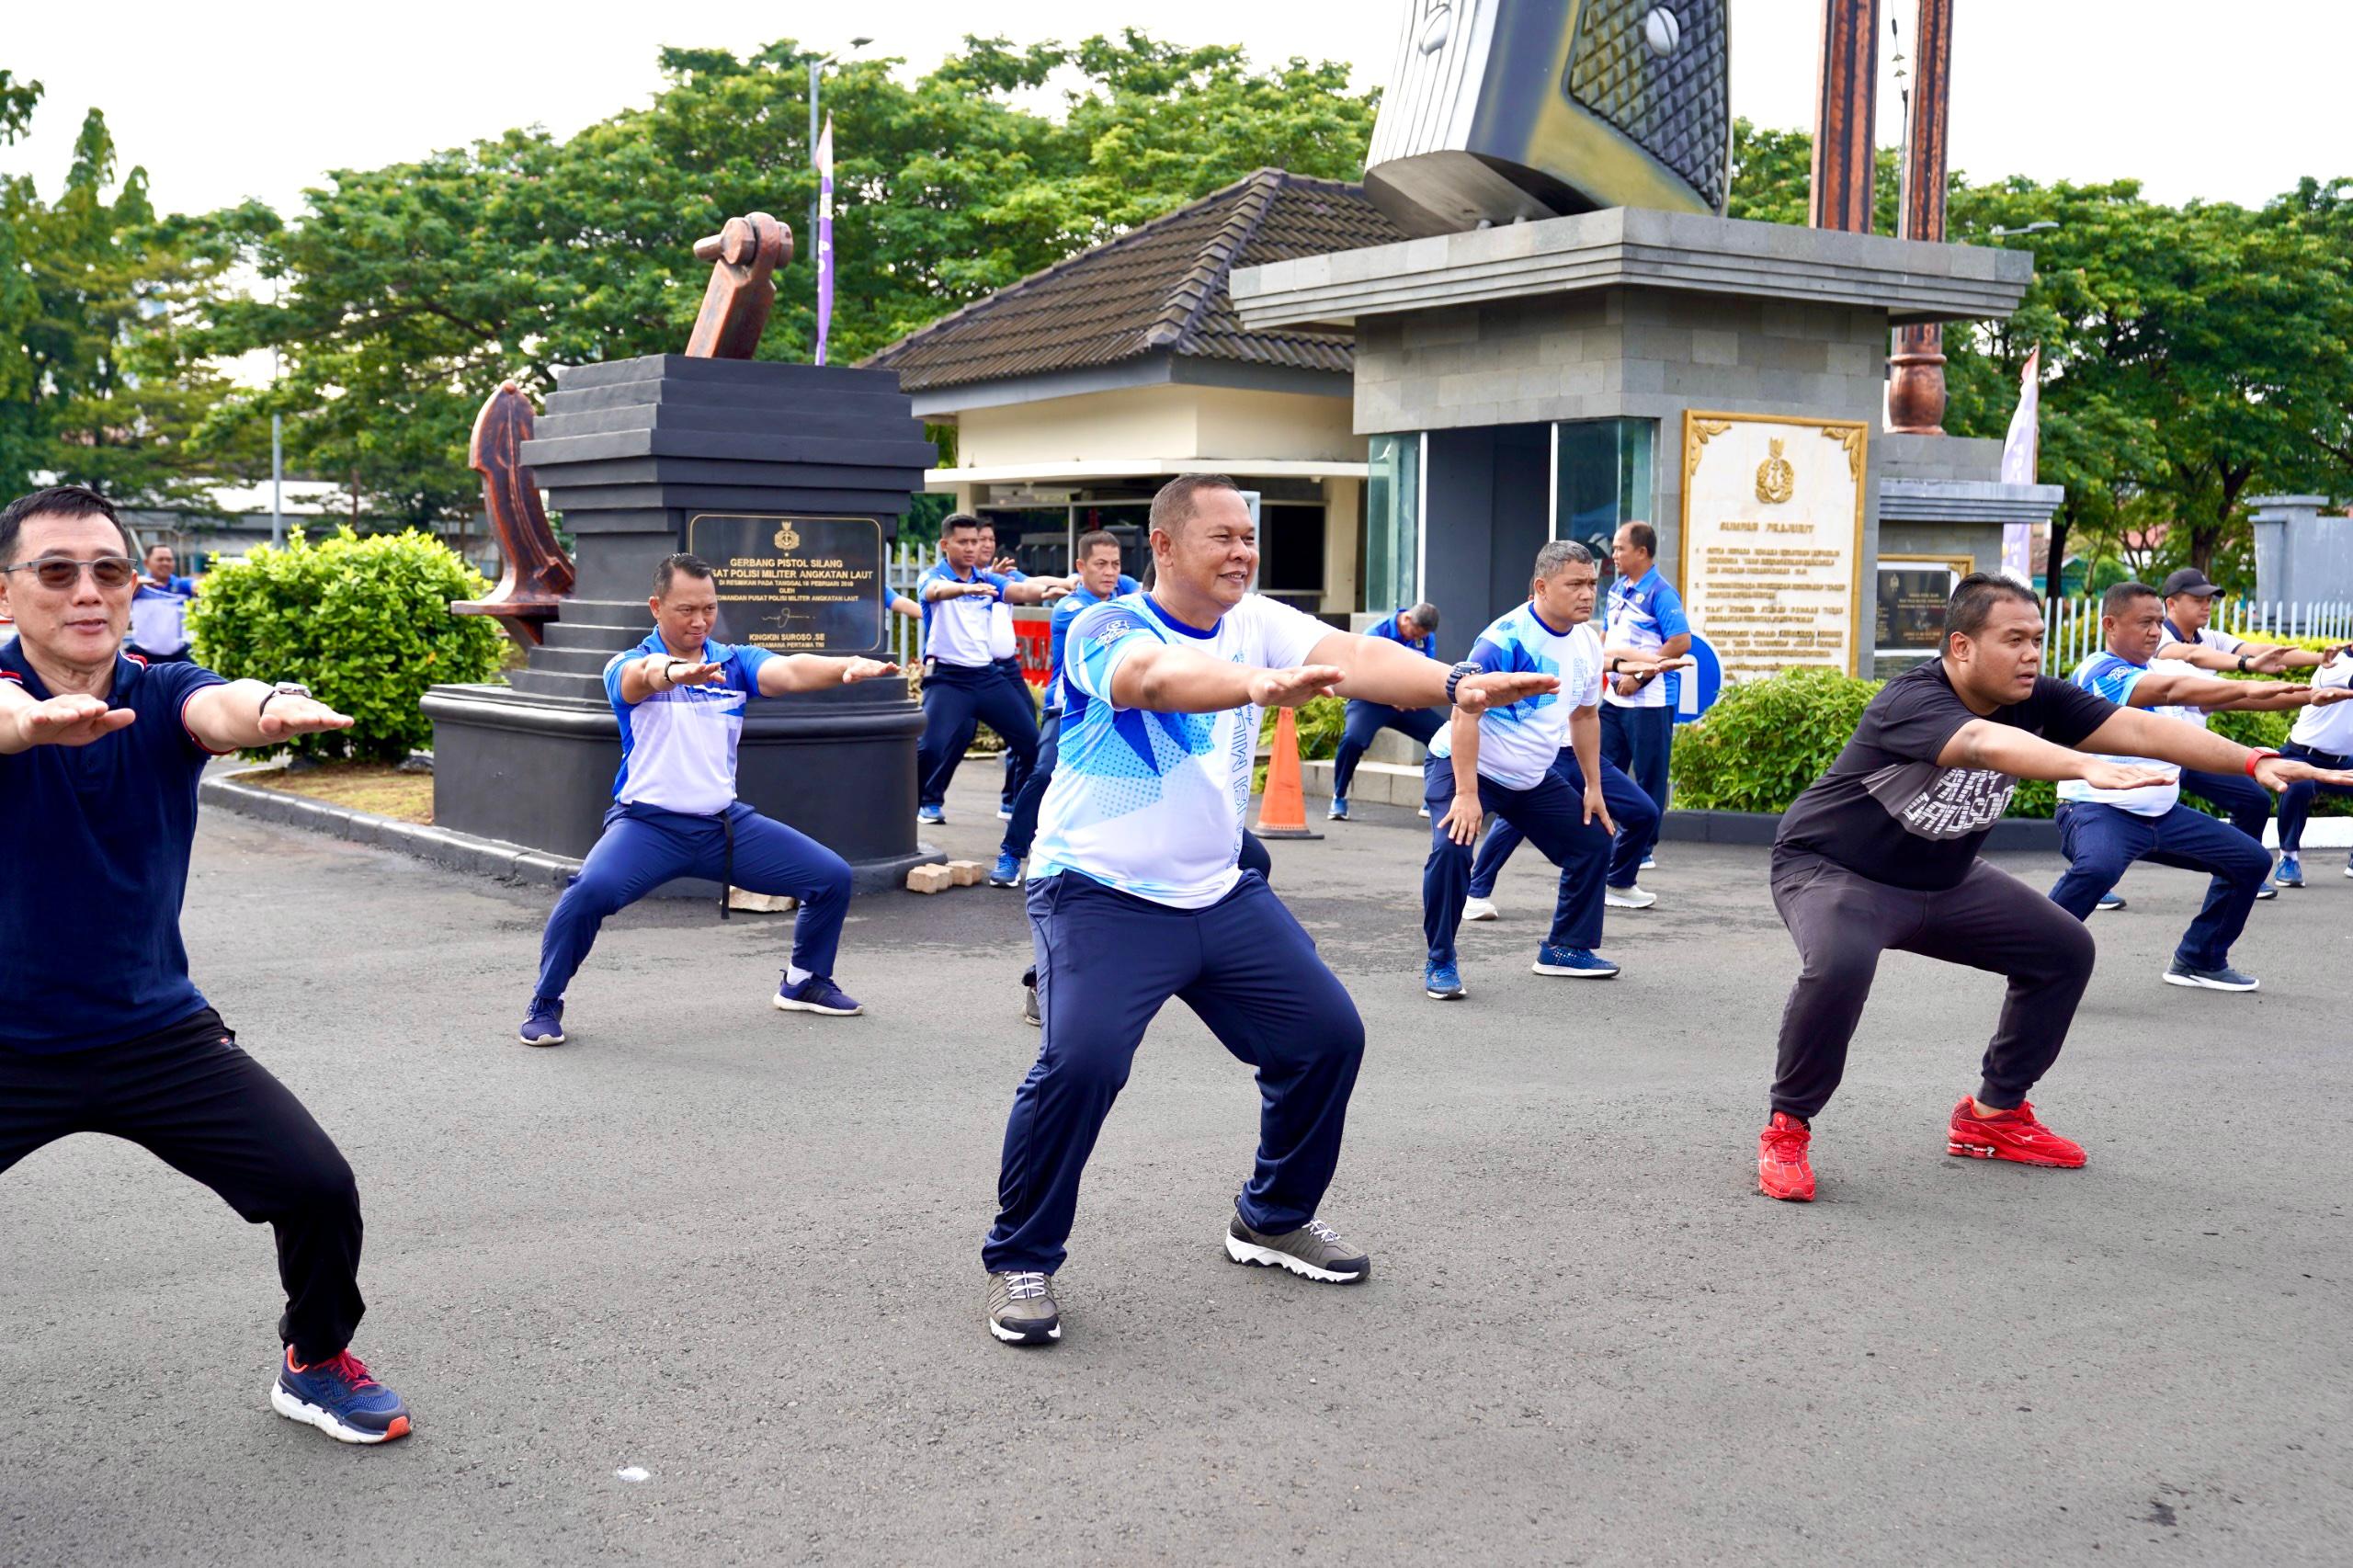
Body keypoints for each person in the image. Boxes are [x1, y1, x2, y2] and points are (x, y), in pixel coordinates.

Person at [980, 473, 1552, 1346]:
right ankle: (1022, 1258)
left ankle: (1272, 1217)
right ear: (1164, 545)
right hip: (1098, 892)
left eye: (1248, 536)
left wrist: (1456, 680)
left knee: (1327, 1038)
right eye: (1222, 536)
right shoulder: (1106, 626)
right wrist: (1255, 685)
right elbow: (1153, 679)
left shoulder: (1258, 620)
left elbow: (1355, 657)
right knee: (1082, 1062)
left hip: (1219, 888)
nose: (1242, 552)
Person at [0, 483, 413, 1445]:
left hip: (152, 1030)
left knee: (317, 1187)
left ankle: (315, 1361)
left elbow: (215, 707)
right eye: (57, 572)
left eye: (108, 571)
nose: (88, 592)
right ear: (6, 591)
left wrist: (267, 708)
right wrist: (27, 725)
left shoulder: (157, 687)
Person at [1755, 574, 2353, 1203]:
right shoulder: (1912, 700)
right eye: (2013, 640)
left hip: (1943, 877)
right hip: (1836, 871)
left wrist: (2253, 760)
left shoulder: (2038, 698)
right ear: (1961, 646)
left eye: (2037, 639)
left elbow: (2142, 731)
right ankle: (1788, 1125)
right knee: (1841, 963)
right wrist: (2084, 763)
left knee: (2063, 950)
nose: (2031, 654)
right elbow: (1982, 743)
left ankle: (1992, 1116)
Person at [518, 553, 900, 1045]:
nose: (699, 620)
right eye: (686, 610)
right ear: (656, 607)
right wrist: (674, 673)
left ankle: (804, 981)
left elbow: (788, 670)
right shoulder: (625, 664)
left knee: (831, 877)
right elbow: (642, 675)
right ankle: (546, 1000)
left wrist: (845, 666)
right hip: (647, 827)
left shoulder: (734, 663)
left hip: (724, 827)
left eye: (709, 608)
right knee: (588, 893)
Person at [2046, 582, 2351, 990]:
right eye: (2144, 623)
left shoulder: (2158, 668)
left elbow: (2229, 698)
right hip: (2097, 810)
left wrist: (2308, 697)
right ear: (2110, 625)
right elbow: (2175, 692)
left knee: (2250, 861)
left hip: (2161, 815)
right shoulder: (2099, 670)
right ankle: (2033, 953)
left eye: (2159, 622)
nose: (2155, 631)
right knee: (2098, 867)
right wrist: (2249, 679)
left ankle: (2199, 959)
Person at [1420, 541, 1675, 999]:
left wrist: (1594, 787)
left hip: (1530, 777)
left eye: (1592, 583)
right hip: (1467, 768)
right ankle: (1440, 959)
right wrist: (1466, 794)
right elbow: (1463, 714)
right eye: (1574, 584)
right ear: (1541, 587)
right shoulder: (1504, 639)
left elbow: (1586, 716)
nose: (1587, 594)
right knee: (1453, 849)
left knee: (1593, 840)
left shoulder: (1586, 642)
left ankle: (1565, 949)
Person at [2152, 567, 2336, 898]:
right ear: (2171, 604)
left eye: (2209, 599)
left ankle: (2240, 874)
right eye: (2197, 599)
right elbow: (2195, 656)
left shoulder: (2209, 638)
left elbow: (2259, 648)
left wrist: (2320, 658)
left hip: (2193, 750)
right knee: (2127, 815)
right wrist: (2246, 665)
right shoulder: (2158, 639)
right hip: (2154, 751)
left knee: (2252, 800)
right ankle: (2093, 869)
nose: (2206, 605)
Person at [993, 528, 1139, 890]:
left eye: (1116, 564)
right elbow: (1117, 622)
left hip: (1115, 709)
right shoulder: (1070, 608)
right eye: (1100, 564)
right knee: (1044, 774)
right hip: (1070, 711)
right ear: (1081, 567)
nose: (1110, 572)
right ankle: (1011, 853)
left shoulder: (1125, 590)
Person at [912, 515, 1059, 825]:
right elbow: (934, 591)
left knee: (1032, 746)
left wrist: (1044, 593)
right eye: (963, 542)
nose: (971, 548)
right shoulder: (932, 576)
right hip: (948, 681)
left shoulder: (988, 578)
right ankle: (906, 809)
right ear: (945, 544)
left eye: (974, 542)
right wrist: (963, 590)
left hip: (987, 678)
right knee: (930, 749)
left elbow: (1018, 591)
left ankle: (1022, 820)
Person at [1598, 521, 1688, 877]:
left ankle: (1643, 849)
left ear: (1642, 552)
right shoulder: (1617, 588)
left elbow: (1680, 642)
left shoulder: (1661, 592)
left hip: (1650, 701)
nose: (1614, 555)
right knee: (1600, 768)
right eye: (1614, 548)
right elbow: (1607, 635)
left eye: (1620, 548)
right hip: (1613, 699)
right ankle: (1602, 838)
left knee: (1650, 775)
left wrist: (1639, 676)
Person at [1326, 601, 1443, 822]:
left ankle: (1433, 798)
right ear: (1406, 619)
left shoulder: (1426, 637)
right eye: (1414, 633)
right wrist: (1392, 696)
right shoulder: (1376, 633)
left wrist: (1411, 696)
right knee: (1353, 739)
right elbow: (1362, 673)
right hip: (1370, 700)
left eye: (1422, 636)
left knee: (1445, 737)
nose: (1416, 638)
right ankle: (1339, 796)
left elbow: (1425, 670)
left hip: (1405, 702)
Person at [2275, 646, 2353, 887]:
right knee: (2299, 786)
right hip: (2301, 755)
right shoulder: (2337, 664)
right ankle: (2288, 858)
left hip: (2341, 761)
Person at [127, 542, 198, 663]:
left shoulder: (182, 586)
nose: (165, 563)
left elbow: (198, 586)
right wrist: (140, 583)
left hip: (179, 656)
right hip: (143, 655)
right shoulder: (137, 586)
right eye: (160, 559)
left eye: (169, 559)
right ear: (146, 563)